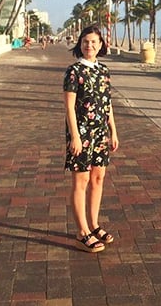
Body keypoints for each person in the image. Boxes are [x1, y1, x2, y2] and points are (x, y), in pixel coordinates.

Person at [63, 25, 119, 253]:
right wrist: (74, 136)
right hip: (82, 134)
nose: (90, 46)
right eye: (86, 42)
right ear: (80, 44)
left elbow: (108, 104)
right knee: (81, 181)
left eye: (94, 42)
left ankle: (94, 225)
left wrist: (113, 131)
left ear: (101, 45)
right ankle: (82, 232)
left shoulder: (104, 71)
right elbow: (68, 106)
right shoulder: (74, 71)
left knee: (98, 179)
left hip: (100, 134)